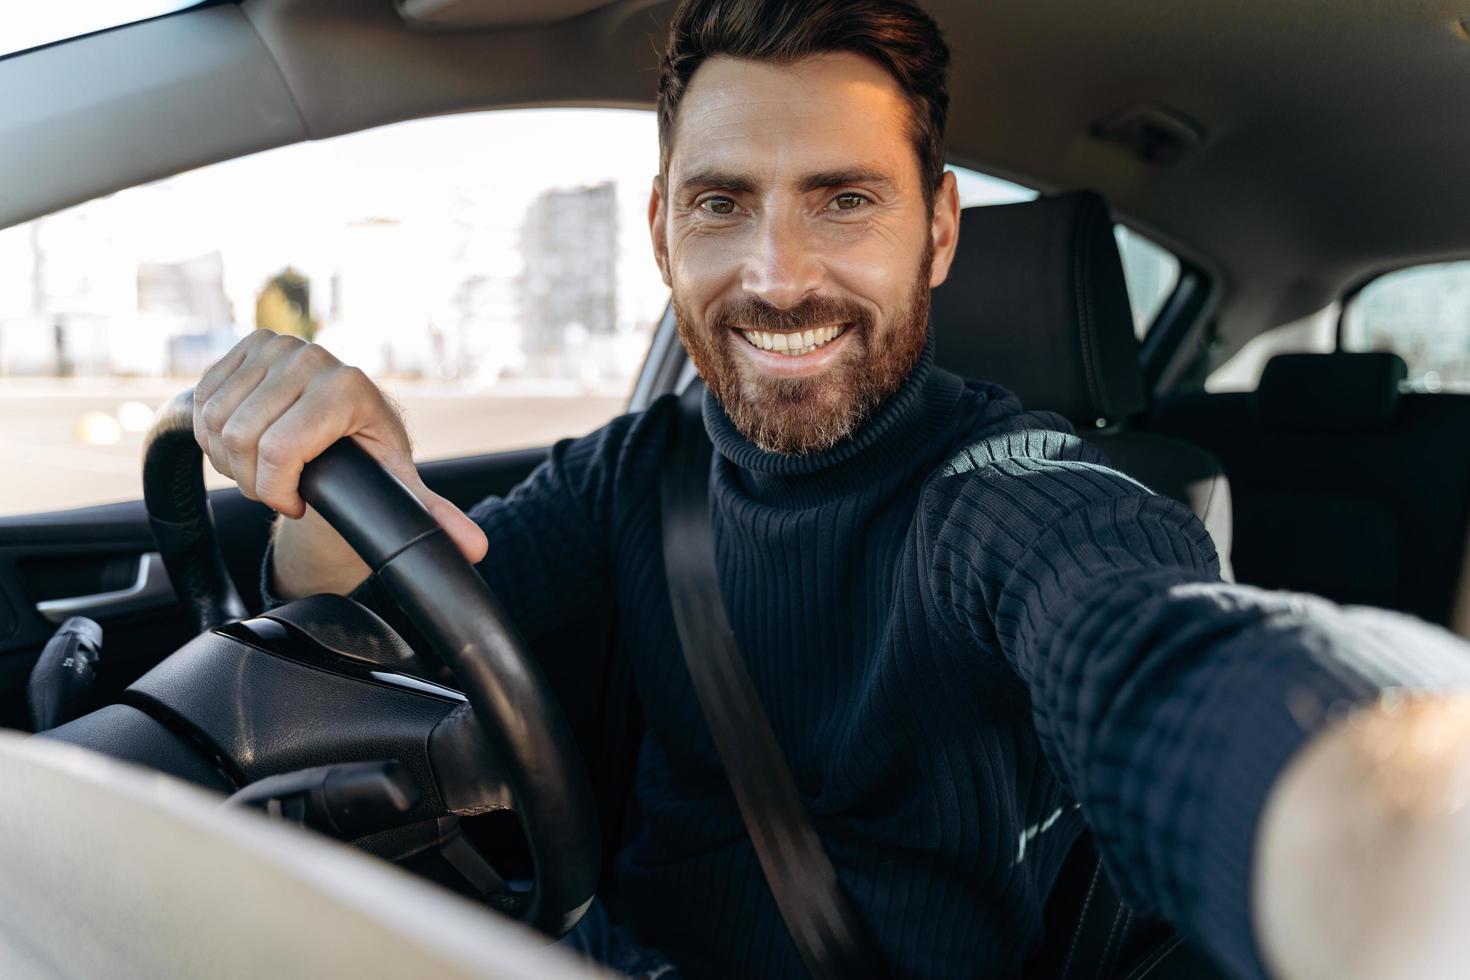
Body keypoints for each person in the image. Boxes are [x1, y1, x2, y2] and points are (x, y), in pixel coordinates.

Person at [191, 1, 1470, 978]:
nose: (777, 273)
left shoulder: (1016, 497)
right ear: (661, 232)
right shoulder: (633, 472)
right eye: (722, 203)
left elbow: (1171, 659)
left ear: (941, 230)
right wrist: (335, 473)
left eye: (845, 200)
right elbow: (381, 624)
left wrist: (1401, 839)